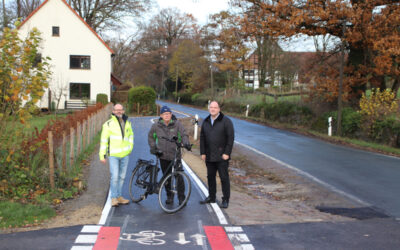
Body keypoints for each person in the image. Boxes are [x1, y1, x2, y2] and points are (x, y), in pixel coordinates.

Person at [148, 105, 190, 205]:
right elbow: (150, 137)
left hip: (175, 155)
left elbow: (184, 134)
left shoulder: (177, 124)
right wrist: (154, 148)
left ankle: (181, 198)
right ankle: (169, 196)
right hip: (162, 155)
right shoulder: (156, 126)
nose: (167, 115)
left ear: (171, 114)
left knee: (179, 176)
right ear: (161, 115)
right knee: (166, 177)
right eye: (164, 114)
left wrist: (186, 143)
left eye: (168, 114)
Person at [199, 101, 234, 208]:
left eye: (215, 107)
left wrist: (227, 153)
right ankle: (212, 197)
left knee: (224, 178)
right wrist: (203, 152)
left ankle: (225, 199)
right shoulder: (206, 121)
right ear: (209, 109)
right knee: (210, 177)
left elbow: (230, 138)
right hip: (209, 155)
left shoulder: (226, 121)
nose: (213, 109)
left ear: (219, 109)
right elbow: (202, 138)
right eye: (211, 107)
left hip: (222, 156)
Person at [99, 103, 134, 207]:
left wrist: (130, 148)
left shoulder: (127, 122)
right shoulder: (108, 124)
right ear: (113, 111)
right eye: (116, 110)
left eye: (121, 110)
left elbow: (131, 136)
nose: (119, 111)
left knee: (122, 177)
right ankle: (113, 198)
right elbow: (104, 140)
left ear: (123, 111)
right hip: (113, 155)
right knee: (114, 176)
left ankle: (119, 196)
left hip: (125, 155)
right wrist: (102, 155)